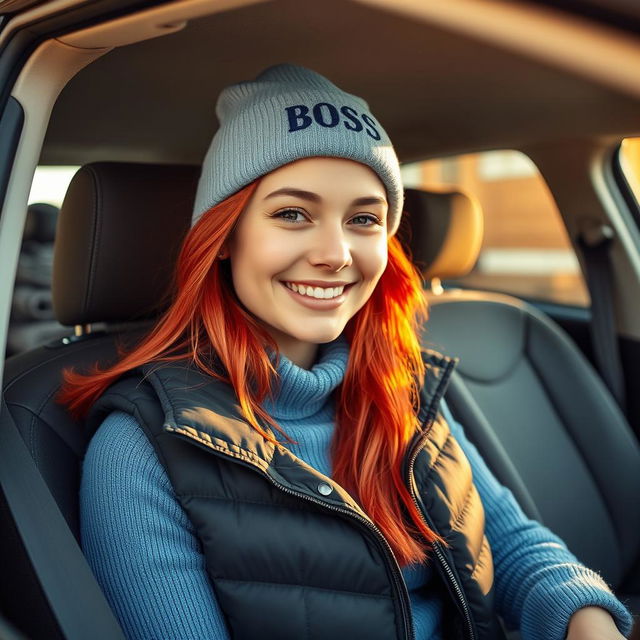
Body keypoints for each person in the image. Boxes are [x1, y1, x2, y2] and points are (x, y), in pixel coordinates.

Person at [61, 64, 633, 640]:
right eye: (292, 214)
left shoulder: (401, 386)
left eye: (363, 219)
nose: (335, 253)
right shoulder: (144, 448)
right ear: (226, 236)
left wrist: (586, 617)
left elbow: (507, 544)